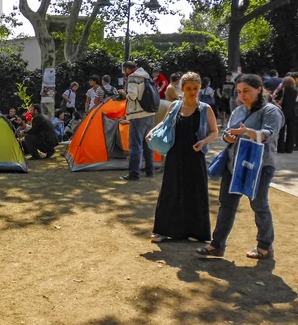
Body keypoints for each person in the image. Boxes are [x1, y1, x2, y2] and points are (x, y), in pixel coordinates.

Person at [197, 74, 284, 259]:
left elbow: (269, 134)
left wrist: (247, 132)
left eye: (246, 91)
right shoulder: (238, 111)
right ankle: (217, 244)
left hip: (261, 165)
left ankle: (265, 246)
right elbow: (228, 133)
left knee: (259, 205)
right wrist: (228, 137)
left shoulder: (270, 111)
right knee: (226, 204)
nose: (242, 96)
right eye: (239, 92)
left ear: (259, 89)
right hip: (234, 163)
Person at [148, 72, 219, 243]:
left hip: (195, 156)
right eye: (189, 88)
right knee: (170, 190)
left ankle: (197, 232)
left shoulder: (205, 109)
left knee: (195, 192)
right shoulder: (174, 106)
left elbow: (215, 132)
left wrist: (203, 142)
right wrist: (152, 132)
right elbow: (163, 124)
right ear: (182, 89)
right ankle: (163, 230)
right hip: (174, 154)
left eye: (195, 88)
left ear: (200, 88)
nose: (192, 92)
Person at [118, 61, 155, 181]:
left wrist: (124, 93)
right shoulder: (146, 76)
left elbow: (133, 95)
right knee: (148, 144)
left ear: (127, 69)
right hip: (149, 113)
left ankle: (134, 174)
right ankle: (150, 171)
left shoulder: (133, 77)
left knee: (135, 145)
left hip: (137, 115)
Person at [275, 76, 297, 154]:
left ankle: (280, 149)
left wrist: (276, 91)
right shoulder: (295, 91)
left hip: (282, 112)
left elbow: (275, 99)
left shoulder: (282, 91)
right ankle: (289, 148)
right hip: (293, 113)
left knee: (281, 131)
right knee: (291, 132)